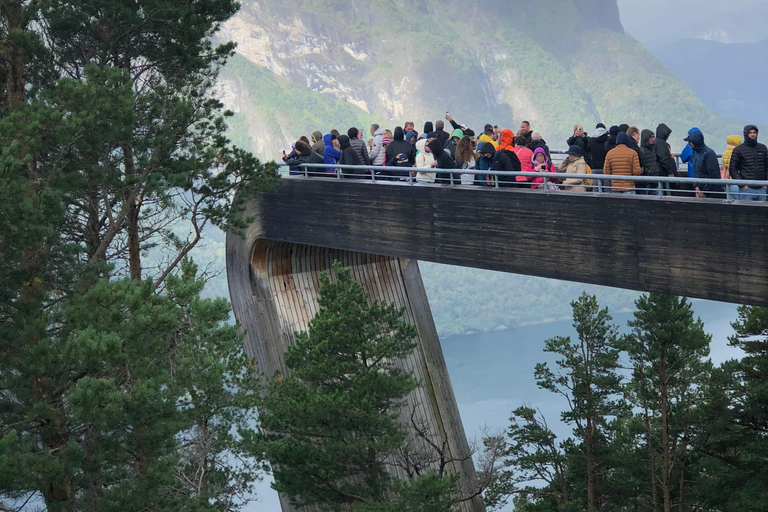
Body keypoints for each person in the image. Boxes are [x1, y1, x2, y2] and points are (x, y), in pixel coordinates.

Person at [729, 124, 768, 201]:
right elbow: (733, 169)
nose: (753, 135)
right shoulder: (738, 149)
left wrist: (765, 184)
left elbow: (767, 166)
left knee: (762, 212)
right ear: (746, 134)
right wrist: (742, 184)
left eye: (754, 132)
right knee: (746, 212)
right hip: (747, 189)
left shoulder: (763, 148)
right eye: (750, 133)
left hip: (761, 188)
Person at [684, 129, 724, 199]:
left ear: (695, 142)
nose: (689, 144)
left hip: (712, 193)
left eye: (690, 141)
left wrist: (705, 192)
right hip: (700, 190)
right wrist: (696, 187)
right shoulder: (695, 153)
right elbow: (696, 171)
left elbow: (713, 175)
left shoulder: (709, 154)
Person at [639, 129, 660, 195]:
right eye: (650, 137)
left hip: (654, 179)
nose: (652, 139)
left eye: (653, 137)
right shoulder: (641, 150)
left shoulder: (653, 148)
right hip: (646, 180)